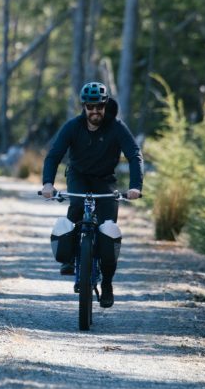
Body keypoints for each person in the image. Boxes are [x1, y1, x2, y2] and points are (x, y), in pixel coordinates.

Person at [40, 81, 143, 308]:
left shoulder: (116, 127)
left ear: (105, 105)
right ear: (84, 107)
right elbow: (54, 155)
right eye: (90, 107)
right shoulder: (73, 126)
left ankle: (107, 282)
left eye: (99, 106)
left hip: (105, 180)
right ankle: (70, 257)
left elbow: (134, 155)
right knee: (76, 205)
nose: (94, 111)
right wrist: (48, 183)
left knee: (108, 232)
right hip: (78, 175)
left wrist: (136, 186)